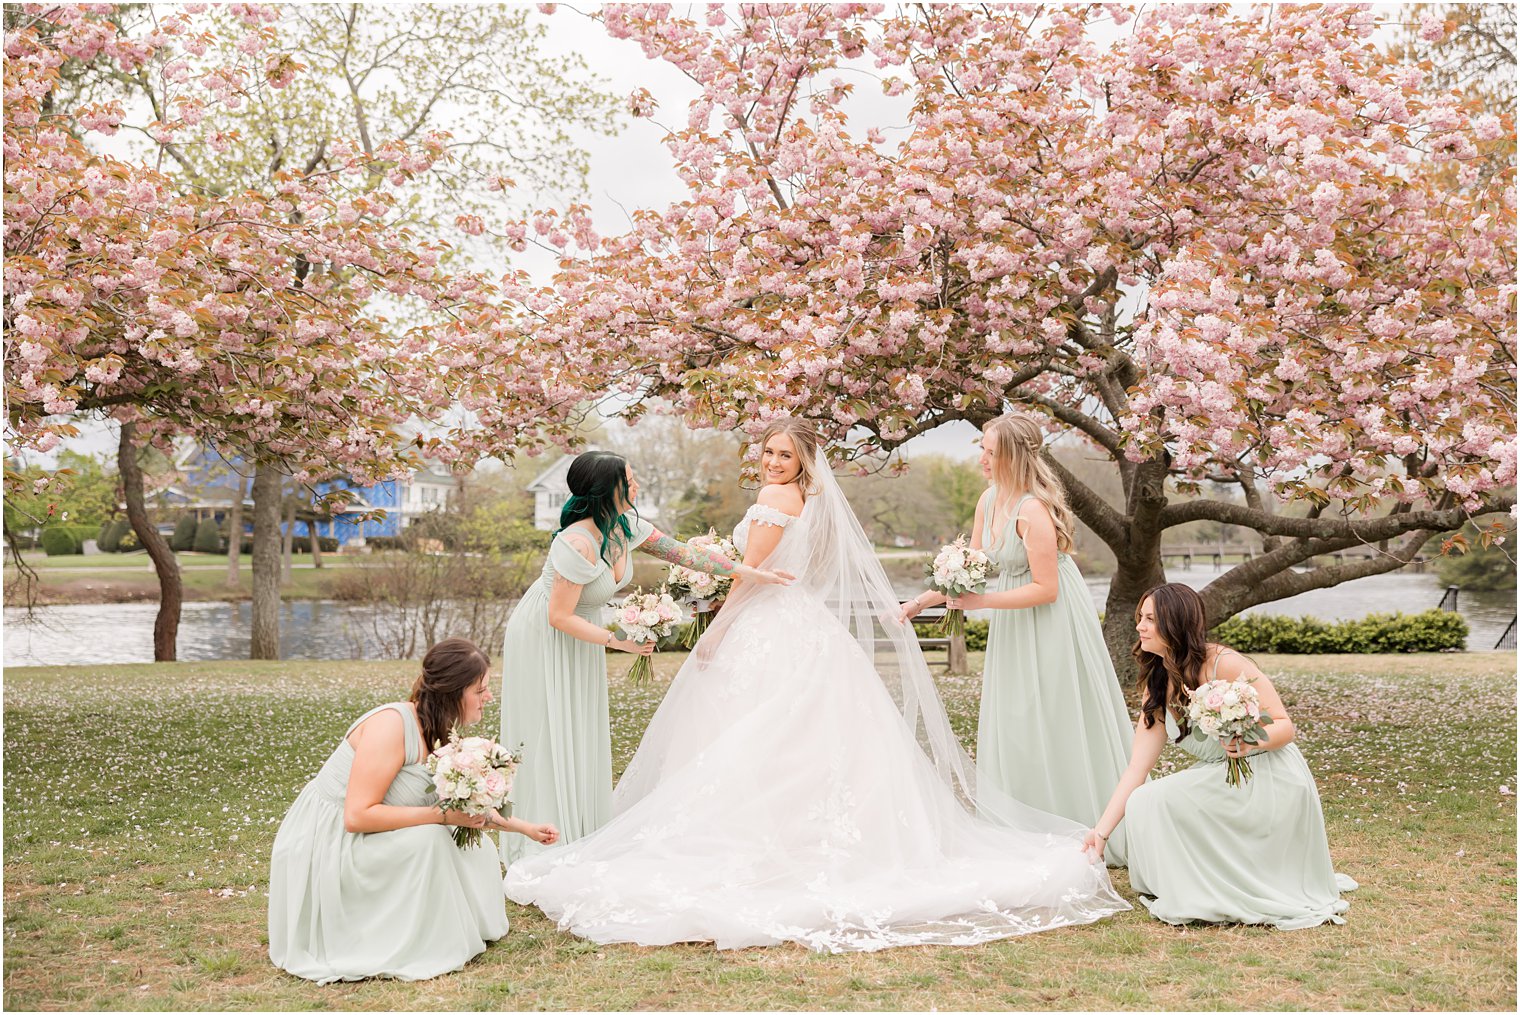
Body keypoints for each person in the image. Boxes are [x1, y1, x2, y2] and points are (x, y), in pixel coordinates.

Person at [504, 418, 1128, 952]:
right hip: (798, 620)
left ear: (802, 463)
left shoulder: (776, 501)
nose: (773, 462)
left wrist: (715, 629)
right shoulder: (803, 499)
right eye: (769, 452)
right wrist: (730, 567)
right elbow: (739, 564)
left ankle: (767, 839)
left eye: (785, 455)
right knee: (790, 735)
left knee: (757, 733)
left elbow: (752, 578)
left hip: (767, 623)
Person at [499, 450, 791, 865]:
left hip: (583, 632)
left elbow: (686, 554)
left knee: (579, 724)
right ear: (607, 489)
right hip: (545, 636)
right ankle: (542, 834)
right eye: (629, 480)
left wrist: (750, 572)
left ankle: (581, 829)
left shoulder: (625, 526)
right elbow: (559, 616)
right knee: (548, 728)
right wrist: (619, 640)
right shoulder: (577, 541)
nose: (636, 486)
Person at [899, 411, 1134, 865]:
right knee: (1015, 717)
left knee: (1052, 714)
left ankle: (1082, 821)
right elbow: (976, 565)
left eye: (990, 452)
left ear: (1011, 456)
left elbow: (1047, 588)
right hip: (1014, 622)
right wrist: (919, 601)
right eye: (982, 450)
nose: (982, 459)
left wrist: (980, 604)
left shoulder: (1033, 508)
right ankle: (1021, 823)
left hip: (1052, 623)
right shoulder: (989, 501)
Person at [269, 638, 558, 983]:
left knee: (471, 842)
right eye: (480, 690)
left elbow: (460, 806)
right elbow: (356, 817)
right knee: (432, 840)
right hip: (328, 843)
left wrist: (526, 828)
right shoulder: (391, 725)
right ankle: (413, 942)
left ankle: (454, 929)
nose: (489, 698)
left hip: (372, 831)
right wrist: (441, 818)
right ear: (452, 692)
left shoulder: (441, 732)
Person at [1082, 583, 1357, 928]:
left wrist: (1247, 743)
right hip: (1220, 774)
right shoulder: (1157, 681)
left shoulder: (1224, 664)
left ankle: (1221, 885)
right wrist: (1102, 833)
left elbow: (1286, 727)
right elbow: (1137, 767)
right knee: (1145, 799)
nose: (1140, 626)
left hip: (1268, 774)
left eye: (1150, 619)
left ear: (1175, 623)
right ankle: (1185, 884)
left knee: (1160, 798)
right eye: (1141, 617)